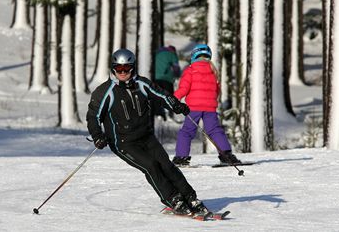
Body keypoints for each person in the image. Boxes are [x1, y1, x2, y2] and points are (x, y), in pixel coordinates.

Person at [86, 48, 208, 216]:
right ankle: (173, 199)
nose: (123, 72)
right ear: (113, 68)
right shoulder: (104, 92)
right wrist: (97, 136)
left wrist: (175, 105)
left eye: (126, 68)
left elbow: (162, 95)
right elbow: (93, 117)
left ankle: (191, 197)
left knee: (166, 165)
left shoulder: (141, 84)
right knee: (151, 166)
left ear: (132, 68)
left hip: (146, 136)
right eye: (119, 69)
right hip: (123, 142)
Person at [172, 44, 241, 167]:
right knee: (215, 130)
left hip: (193, 108)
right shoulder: (213, 70)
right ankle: (226, 155)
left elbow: (183, 88)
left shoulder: (190, 70)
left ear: (194, 55)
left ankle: (181, 157)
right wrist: (213, 100)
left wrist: (172, 99)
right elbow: (217, 91)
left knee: (187, 132)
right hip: (210, 108)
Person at [154, 45, 181, 120]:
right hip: (167, 78)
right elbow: (176, 67)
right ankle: (170, 113)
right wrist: (177, 75)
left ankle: (159, 114)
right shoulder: (172, 54)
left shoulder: (157, 54)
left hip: (156, 78)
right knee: (169, 96)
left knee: (157, 96)